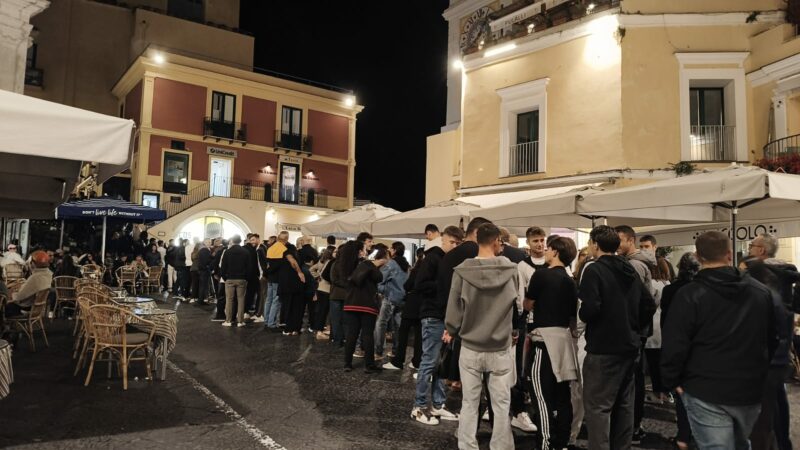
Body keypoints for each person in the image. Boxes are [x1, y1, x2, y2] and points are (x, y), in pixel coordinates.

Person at [661, 231, 777, 450]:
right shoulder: (760, 293)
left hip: (704, 388)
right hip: (748, 387)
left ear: (697, 256)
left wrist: (672, 380)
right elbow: (771, 340)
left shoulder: (689, 295)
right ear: (729, 254)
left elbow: (675, 344)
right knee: (742, 443)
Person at [579, 225, 656, 450]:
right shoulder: (629, 268)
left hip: (603, 347)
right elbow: (649, 304)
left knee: (598, 407)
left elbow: (590, 307)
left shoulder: (594, 269)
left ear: (595, 244)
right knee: (624, 405)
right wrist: (632, 325)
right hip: (629, 346)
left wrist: (585, 315)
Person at [445, 223, 519, 449]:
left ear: (477, 240)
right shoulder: (511, 270)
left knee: (469, 403)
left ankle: (467, 446)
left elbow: (453, 313)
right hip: (500, 347)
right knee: (501, 404)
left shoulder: (462, 271)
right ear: (497, 240)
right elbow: (516, 306)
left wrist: (454, 330)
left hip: (470, 346)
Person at [525, 236, 579, 450]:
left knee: (541, 395)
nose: (545, 251)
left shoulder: (541, 275)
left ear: (556, 251)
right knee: (562, 396)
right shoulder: (570, 280)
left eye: (548, 248)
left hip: (543, 340)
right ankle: (563, 442)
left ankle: (546, 443)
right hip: (564, 342)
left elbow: (528, 304)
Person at [746, 233, 798, 450]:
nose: (749, 248)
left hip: (764, 346)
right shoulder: (786, 273)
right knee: (778, 396)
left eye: (752, 245)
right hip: (782, 344)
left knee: (766, 404)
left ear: (761, 251)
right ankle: (783, 441)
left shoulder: (760, 274)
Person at [410, 225, 459, 425]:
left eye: (458, 243)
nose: (454, 246)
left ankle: (437, 404)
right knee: (429, 362)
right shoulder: (433, 258)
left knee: (441, 363)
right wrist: (445, 285)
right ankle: (418, 407)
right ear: (443, 240)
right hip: (432, 316)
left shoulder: (450, 260)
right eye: (452, 242)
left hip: (444, 316)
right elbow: (419, 284)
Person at [615, 224, 657, 444]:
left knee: (634, 381)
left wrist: (633, 327)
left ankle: (633, 426)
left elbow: (639, 302)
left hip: (635, 332)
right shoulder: (636, 263)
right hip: (638, 331)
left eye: (619, 240)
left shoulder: (635, 266)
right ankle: (633, 426)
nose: (616, 245)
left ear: (630, 240)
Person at [659, 252, 700, 450]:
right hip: (699, 350)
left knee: (683, 396)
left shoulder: (671, 290)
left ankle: (683, 436)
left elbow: (666, 323)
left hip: (679, 349)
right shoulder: (703, 290)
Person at [343, 242, 386, 373]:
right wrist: (375, 265)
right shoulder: (367, 264)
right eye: (363, 249)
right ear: (360, 251)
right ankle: (369, 365)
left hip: (351, 303)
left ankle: (347, 364)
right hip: (367, 304)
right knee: (367, 334)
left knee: (351, 334)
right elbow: (379, 277)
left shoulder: (346, 265)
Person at [385, 248, 424, 371]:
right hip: (423, 305)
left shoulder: (417, 269)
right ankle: (417, 362)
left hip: (412, 303)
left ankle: (398, 361)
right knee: (419, 334)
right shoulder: (433, 269)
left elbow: (407, 285)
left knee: (403, 332)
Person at [374, 243, 408, 360]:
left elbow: (379, 279)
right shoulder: (405, 264)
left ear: (394, 251)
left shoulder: (391, 264)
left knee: (381, 323)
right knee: (398, 325)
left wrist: (382, 290)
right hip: (402, 299)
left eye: (391, 248)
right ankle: (395, 351)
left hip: (391, 297)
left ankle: (378, 352)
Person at [5, 250, 52, 317]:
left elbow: (19, 297)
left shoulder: (35, 277)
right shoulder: (49, 274)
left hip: (24, 308)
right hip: (36, 308)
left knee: (3, 305)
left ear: (33, 263)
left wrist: (11, 294)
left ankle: (6, 326)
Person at [219, 235, 250, 327]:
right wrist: (246, 278)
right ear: (240, 241)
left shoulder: (227, 252)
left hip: (230, 279)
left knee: (229, 300)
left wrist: (225, 277)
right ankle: (240, 321)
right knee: (241, 299)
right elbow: (249, 267)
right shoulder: (245, 252)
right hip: (242, 279)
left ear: (232, 241)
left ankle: (228, 320)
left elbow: (223, 266)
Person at [278, 236, 306, 335]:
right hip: (298, 285)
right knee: (297, 308)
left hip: (288, 285)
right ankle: (296, 329)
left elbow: (292, 262)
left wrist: (299, 272)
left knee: (288, 307)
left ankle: (288, 329)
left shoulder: (287, 253)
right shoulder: (298, 254)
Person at [263, 232, 289, 330]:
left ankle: (266, 320)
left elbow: (268, 265)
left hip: (270, 278)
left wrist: (266, 274)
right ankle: (272, 323)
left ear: (278, 238)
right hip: (278, 279)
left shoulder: (270, 248)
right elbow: (281, 266)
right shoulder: (284, 249)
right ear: (286, 239)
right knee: (276, 301)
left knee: (268, 300)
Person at [310, 247, 334, 338]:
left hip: (320, 287)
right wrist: (319, 276)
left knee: (320, 310)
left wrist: (317, 277)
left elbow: (311, 269)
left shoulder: (321, 261)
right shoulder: (330, 262)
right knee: (324, 311)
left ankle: (318, 329)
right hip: (326, 288)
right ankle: (319, 330)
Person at [243, 234, 262, 319]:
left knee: (247, 294)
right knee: (252, 294)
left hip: (246, 276)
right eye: (251, 240)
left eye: (254, 240)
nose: (252, 242)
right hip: (252, 276)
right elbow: (254, 264)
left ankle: (245, 311)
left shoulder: (245, 248)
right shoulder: (254, 250)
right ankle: (250, 311)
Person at [211, 239, 228, 322]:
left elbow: (216, 263)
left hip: (222, 277)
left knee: (221, 296)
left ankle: (220, 314)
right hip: (228, 276)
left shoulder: (220, 251)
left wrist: (216, 273)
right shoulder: (224, 251)